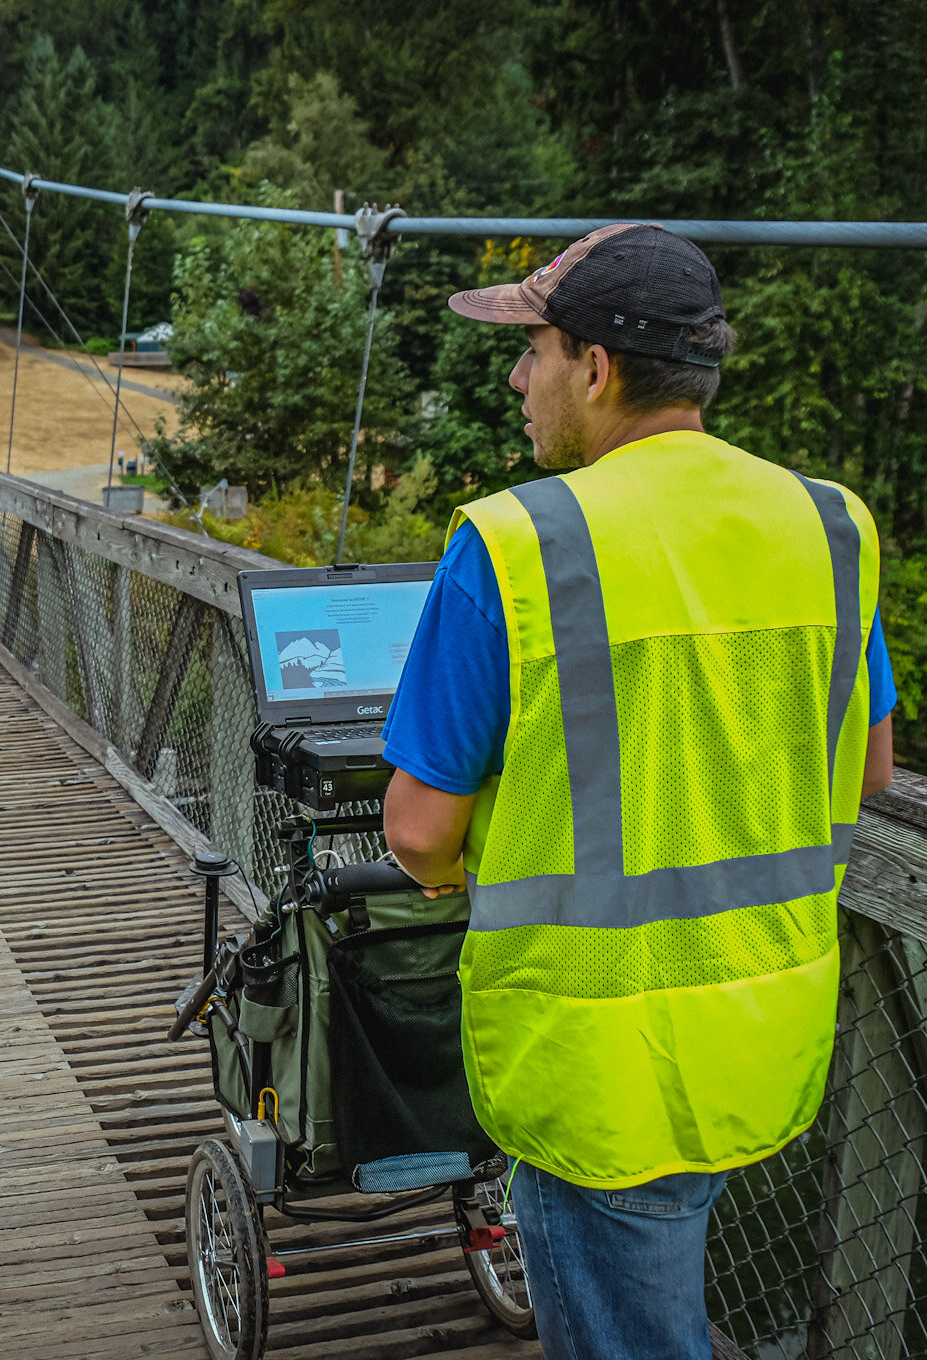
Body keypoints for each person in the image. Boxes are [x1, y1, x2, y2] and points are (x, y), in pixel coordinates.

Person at [380, 223, 897, 1360]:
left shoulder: (516, 541)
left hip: (591, 1055)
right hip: (763, 1025)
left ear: (596, 367)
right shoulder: (829, 525)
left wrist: (484, 857)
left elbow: (417, 832)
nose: (517, 377)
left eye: (532, 351)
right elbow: (863, 768)